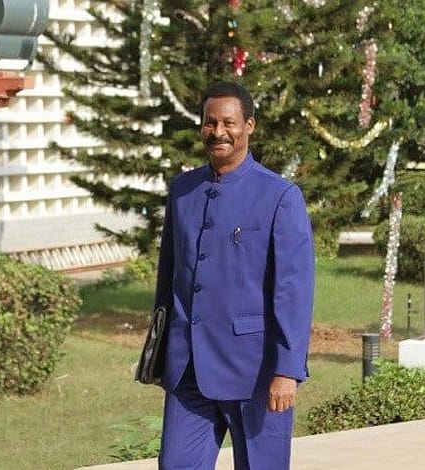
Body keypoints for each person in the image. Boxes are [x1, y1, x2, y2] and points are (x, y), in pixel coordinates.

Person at [154, 81, 315, 470]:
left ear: (249, 126)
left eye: (229, 123)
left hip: (256, 373)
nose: (218, 132)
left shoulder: (280, 196)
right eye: (210, 123)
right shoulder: (182, 191)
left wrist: (287, 370)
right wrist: (161, 352)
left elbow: (293, 291)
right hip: (189, 371)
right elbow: (168, 277)